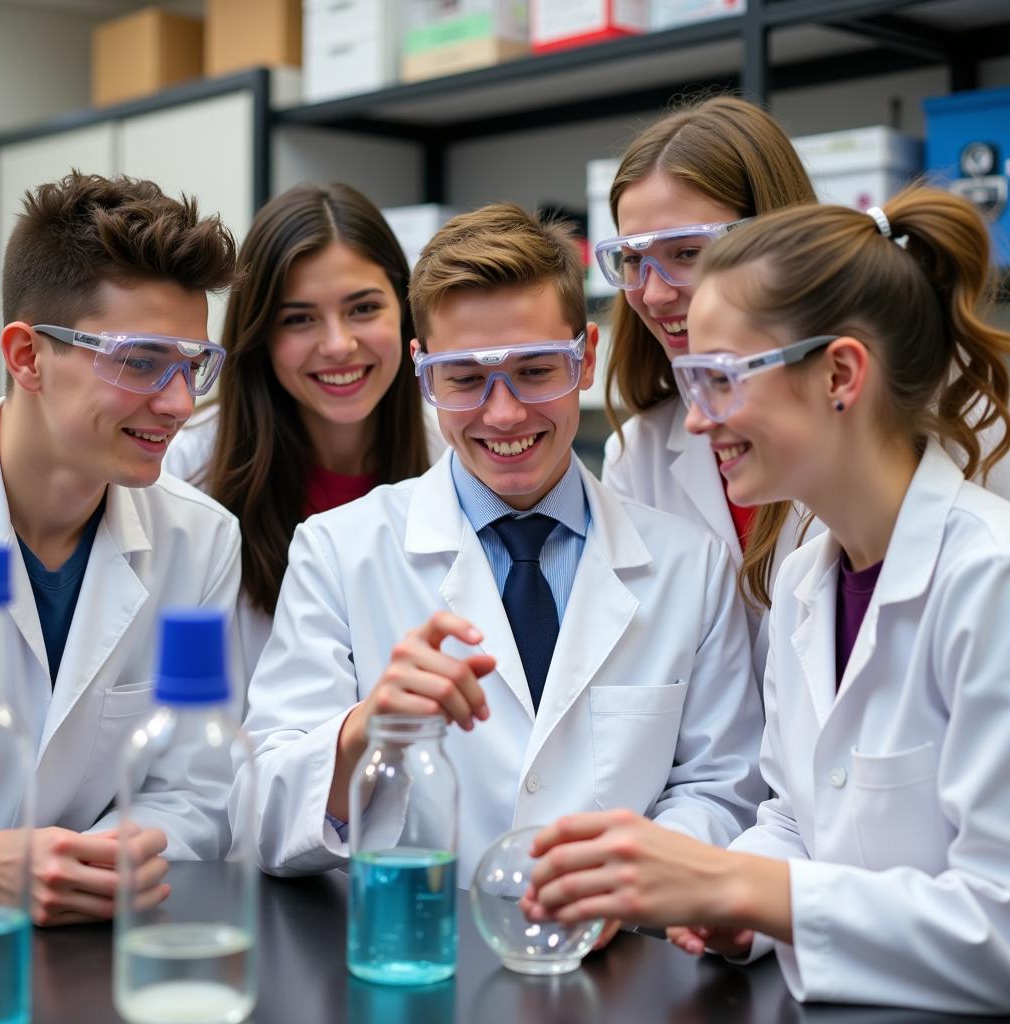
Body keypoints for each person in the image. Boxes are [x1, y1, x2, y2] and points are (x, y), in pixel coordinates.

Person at [523, 187, 1010, 1014]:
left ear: (840, 375)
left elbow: (998, 933)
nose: (699, 420)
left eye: (721, 379)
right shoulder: (803, 576)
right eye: (692, 380)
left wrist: (740, 886)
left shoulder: (989, 579)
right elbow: (793, 816)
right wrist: (722, 903)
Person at [234, 203, 765, 902]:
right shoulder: (339, 551)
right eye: (464, 379)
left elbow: (723, 791)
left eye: (537, 370)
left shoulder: (688, 565)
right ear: (423, 373)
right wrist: (366, 729)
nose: (504, 413)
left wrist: (633, 875)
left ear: (588, 358)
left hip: (619, 963)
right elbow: (257, 820)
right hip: (420, 962)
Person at [0, 171, 242, 926]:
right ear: (28, 356)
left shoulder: (199, 540)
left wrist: (84, 866)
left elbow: (197, 787)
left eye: (191, 363)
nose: (177, 402)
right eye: (139, 360)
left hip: (98, 939)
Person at [165, 183, 446, 679]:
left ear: (405, 311)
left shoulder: (451, 452)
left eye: (363, 308)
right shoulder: (187, 473)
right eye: (299, 319)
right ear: (261, 335)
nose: (339, 345)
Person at [598, 96, 819, 674]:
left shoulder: (906, 412)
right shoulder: (637, 454)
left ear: (772, 237)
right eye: (633, 259)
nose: (653, 292)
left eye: (688, 253)